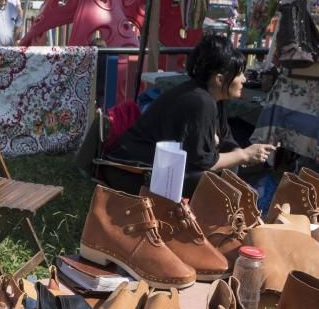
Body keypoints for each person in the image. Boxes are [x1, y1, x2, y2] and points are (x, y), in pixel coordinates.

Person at [107, 35, 276, 197]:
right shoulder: (200, 101)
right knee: (214, 181)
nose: (244, 79)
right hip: (132, 173)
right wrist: (244, 155)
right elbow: (202, 163)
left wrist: (239, 153)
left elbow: (225, 138)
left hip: (158, 170)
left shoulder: (215, 98)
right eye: (240, 74)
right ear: (219, 79)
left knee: (230, 169)